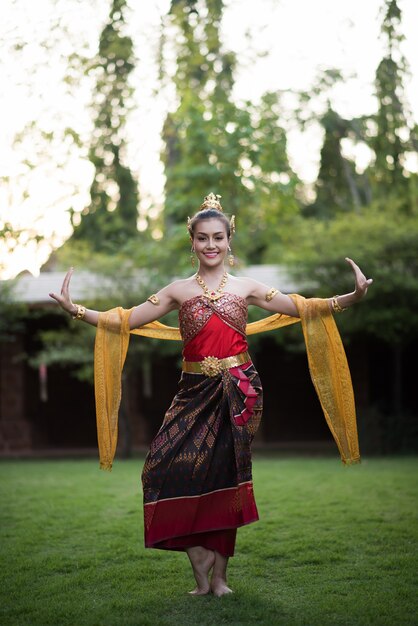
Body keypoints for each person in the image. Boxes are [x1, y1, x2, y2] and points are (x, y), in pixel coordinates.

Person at [49, 192, 372, 597]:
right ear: (193, 243)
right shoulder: (177, 291)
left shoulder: (248, 288)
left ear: (229, 239)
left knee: (226, 476)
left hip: (240, 390)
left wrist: (353, 297)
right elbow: (124, 321)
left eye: (218, 237)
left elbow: (304, 308)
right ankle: (198, 562)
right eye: (203, 238)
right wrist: (75, 309)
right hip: (193, 391)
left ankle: (217, 580)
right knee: (160, 467)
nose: (211, 245)